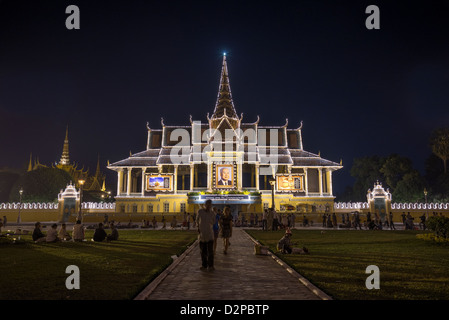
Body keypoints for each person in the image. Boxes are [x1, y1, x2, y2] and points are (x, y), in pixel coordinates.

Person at [196, 200, 215, 271]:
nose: (208, 206)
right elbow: (197, 221)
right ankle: (204, 265)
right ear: (205, 204)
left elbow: (213, 222)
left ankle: (211, 265)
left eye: (210, 205)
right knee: (203, 251)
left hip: (209, 234)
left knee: (210, 251)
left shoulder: (212, 213)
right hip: (202, 234)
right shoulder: (200, 212)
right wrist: (198, 228)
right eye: (207, 204)